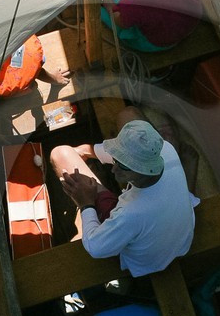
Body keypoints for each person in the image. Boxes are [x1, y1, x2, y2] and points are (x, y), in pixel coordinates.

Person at [49, 112, 198, 279]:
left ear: (142, 170)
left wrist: (86, 203)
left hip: (147, 261)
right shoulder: (165, 150)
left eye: (123, 166)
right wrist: (87, 151)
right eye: (116, 160)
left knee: (59, 154)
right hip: (177, 236)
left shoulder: (131, 214)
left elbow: (95, 247)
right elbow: (120, 158)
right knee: (128, 114)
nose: (113, 169)